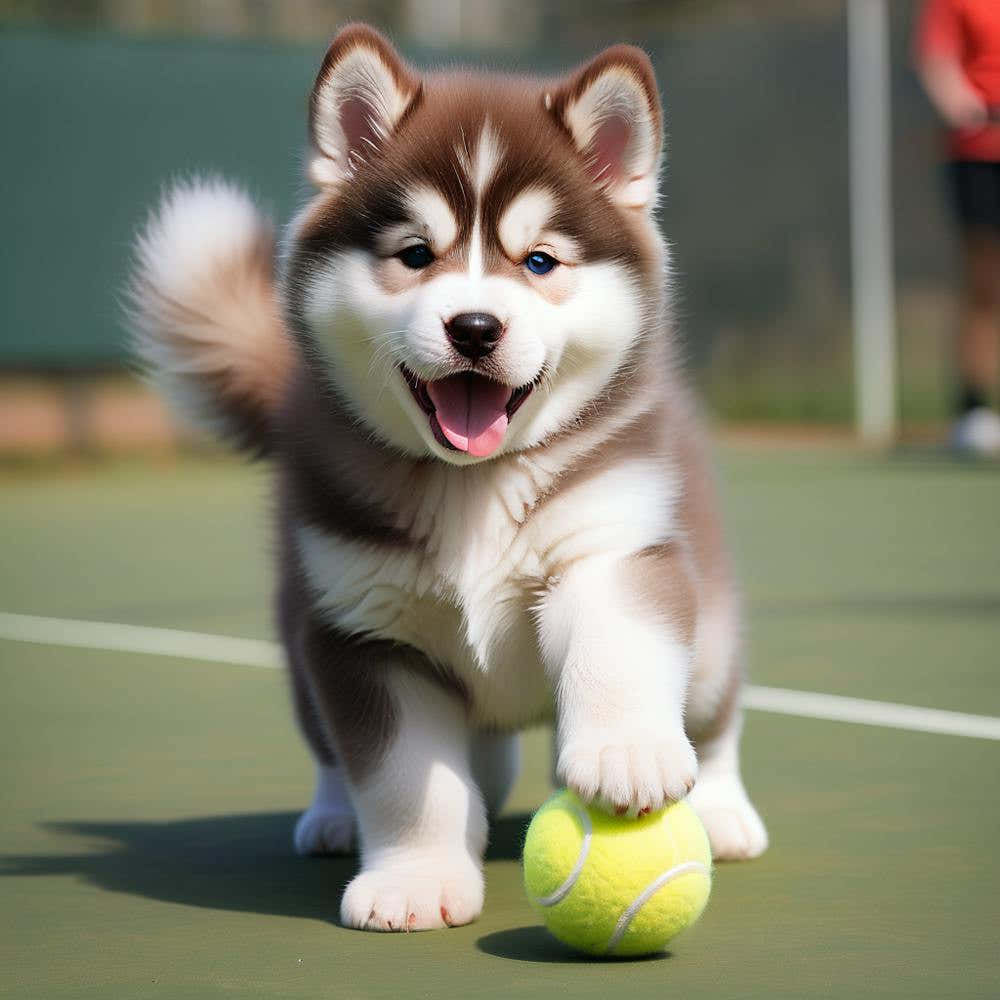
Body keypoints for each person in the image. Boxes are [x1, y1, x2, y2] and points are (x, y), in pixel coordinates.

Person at [915, 0, 1000, 454]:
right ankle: (974, 409)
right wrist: (966, 106)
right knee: (984, 281)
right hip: (978, 154)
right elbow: (938, 61)